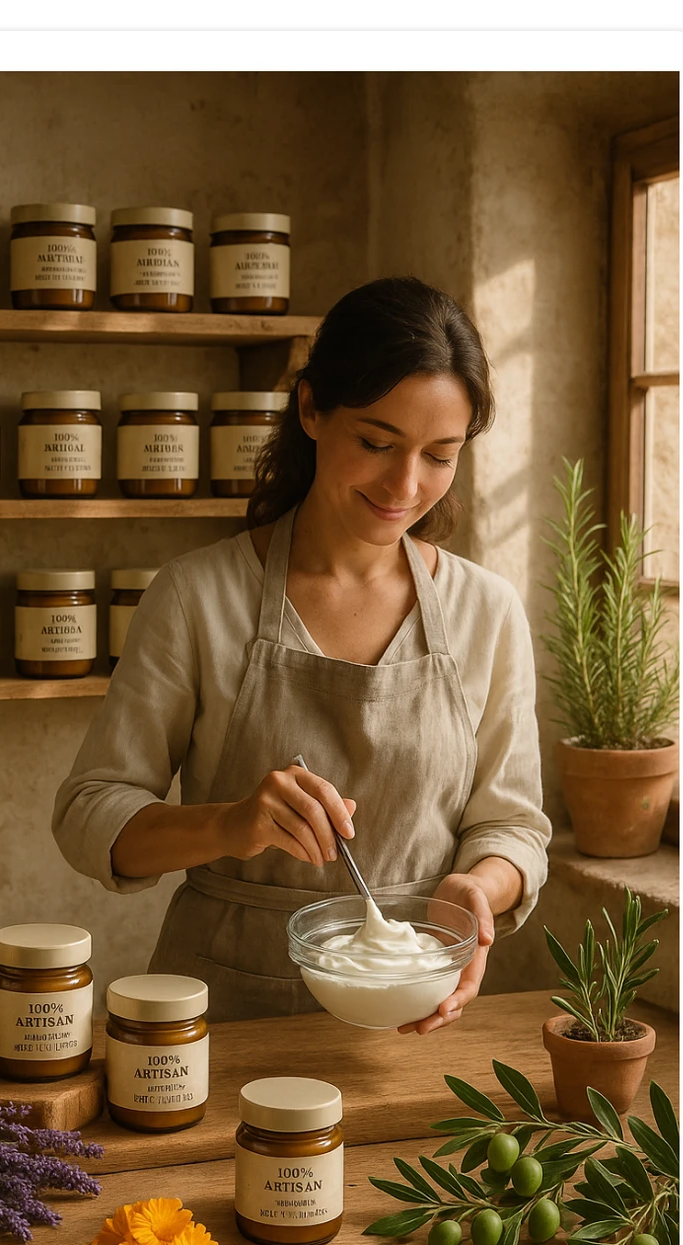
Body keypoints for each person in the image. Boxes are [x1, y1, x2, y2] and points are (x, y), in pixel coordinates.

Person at [52, 275, 551, 1029]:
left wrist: (480, 887)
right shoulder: (196, 596)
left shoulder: (487, 611)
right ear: (311, 408)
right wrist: (229, 825)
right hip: (220, 1015)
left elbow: (514, 827)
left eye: (440, 455)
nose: (405, 485)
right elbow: (89, 814)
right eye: (377, 442)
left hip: (411, 1010)